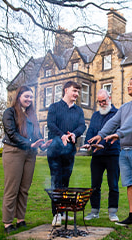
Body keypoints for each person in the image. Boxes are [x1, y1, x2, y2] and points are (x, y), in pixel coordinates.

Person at [88, 77, 132, 232]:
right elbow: (112, 121)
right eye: (128, 84)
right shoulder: (124, 107)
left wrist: (119, 134)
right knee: (129, 184)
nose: (128, 86)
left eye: (131, 84)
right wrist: (101, 134)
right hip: (124, 151)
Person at [2, 86, 52, 234]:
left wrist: (42, 144)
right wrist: (29, 143)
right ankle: (7, 222)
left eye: (31, 97)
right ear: (18, 97)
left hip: (30, 154)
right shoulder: (9, 112)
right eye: (26, 97)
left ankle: (20, 219)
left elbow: (36, 135)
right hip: (14, 152)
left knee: (24, 188)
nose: (29, 100)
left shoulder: (31, 115)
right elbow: (11, 134)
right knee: (12, 188)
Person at [47, 81, 86, 227]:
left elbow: (82, 125)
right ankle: (56, 213)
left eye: (77, 92)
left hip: (69, 150)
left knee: (65, 182)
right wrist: (61, 135)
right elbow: (51, 124)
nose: (76, 94)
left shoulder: (78, 111)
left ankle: (63, 212)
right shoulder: (54, 107)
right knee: (56, 181)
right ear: (66, 90)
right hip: (55, 150)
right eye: (74, 91)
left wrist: (74, 134)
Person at [81, 89, 120, 222]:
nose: (102, 103)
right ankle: (94, 211)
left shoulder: (117, 114)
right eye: (99, 102)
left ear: (109, 98)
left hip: (112, 154)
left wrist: (103, 143)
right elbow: (91, 131)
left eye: (104, 100)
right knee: (95, 184)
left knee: (113, 184)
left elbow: (116, 132)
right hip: (97, 155)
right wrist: (88, 144)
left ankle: (113, 212)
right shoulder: (95, 115)